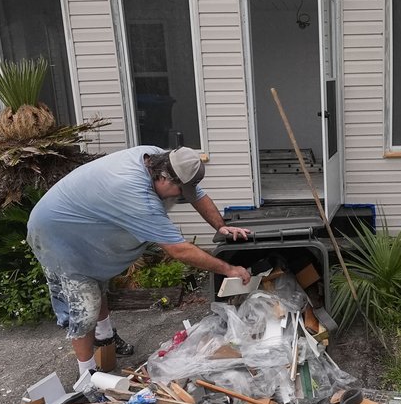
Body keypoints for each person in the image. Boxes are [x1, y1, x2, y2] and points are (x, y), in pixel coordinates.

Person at [27, 145, 251, 378]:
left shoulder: (157, 156)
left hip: (83, 224)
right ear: (163, 177)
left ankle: (105, 339)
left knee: (97, 279)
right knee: (84, 305)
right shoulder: (137, 195)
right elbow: (179, 250)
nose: (180, 196)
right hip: (56, 232)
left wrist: (220, 226)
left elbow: (197, 194)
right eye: (179, 191)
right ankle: (88, 377)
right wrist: (228, 268)